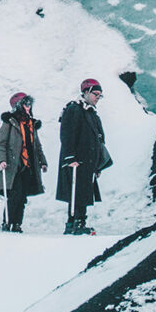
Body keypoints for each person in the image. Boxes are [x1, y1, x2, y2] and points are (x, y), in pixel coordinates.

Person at [57, 79, 110, 235]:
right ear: (86, 92)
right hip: (77, 160)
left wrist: (98, 165)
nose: (97, 98)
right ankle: (75, 223)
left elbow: (98, 138)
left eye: (100, 95)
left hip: (88, 161)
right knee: (77, 192)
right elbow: (67, 134)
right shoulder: (74, 109)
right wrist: (70, 157)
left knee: (83, 191)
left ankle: (77, 222)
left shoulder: (90, 112)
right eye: (95, 94)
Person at [0, 92, 47, 233]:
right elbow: (1, 143)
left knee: (23, 196)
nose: (28, 107)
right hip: (14, 164)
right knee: (15, 195)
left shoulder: (31, 124)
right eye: (25, 104)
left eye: (29, 104)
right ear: (18, 106)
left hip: (29, 165)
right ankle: (8, 222)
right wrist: (2, 160)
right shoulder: (10, 122)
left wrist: (43, 161)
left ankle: (17, 223)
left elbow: (36, 145)